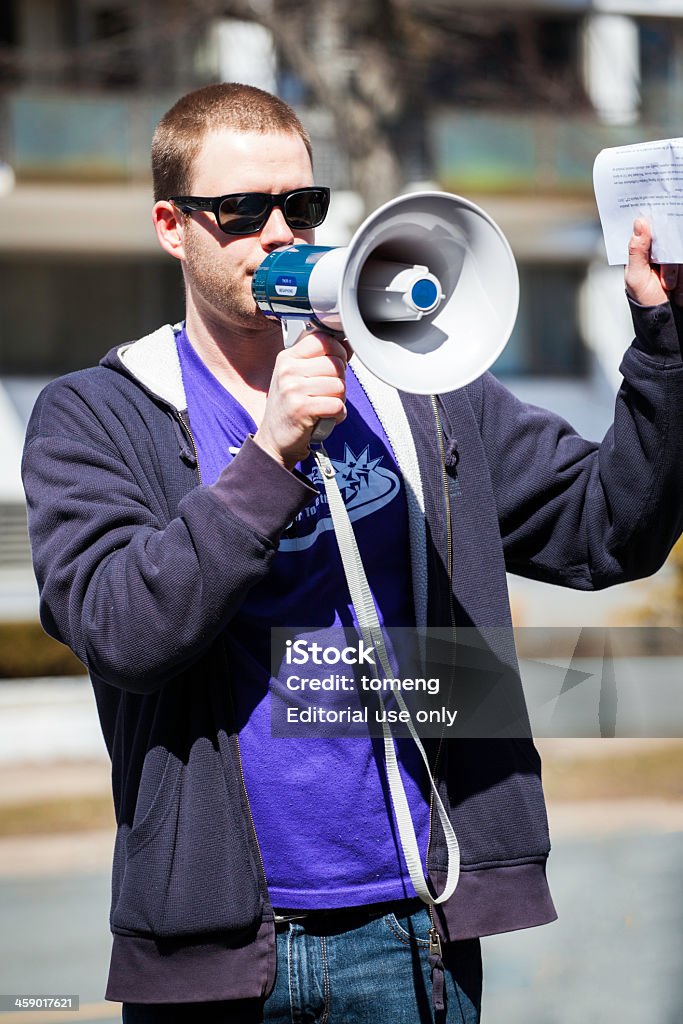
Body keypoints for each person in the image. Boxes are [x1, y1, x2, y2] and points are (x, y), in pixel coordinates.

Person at [21, 82, 683, 1023]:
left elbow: (605, 529)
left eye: (304, 205)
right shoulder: (98, 415)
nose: (282, 233)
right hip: (226, 951)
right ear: (172, 226)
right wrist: (270, 456)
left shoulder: (416, 384)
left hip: (415, 917)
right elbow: (122, 629)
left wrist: (662, 345)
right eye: (243, 211)